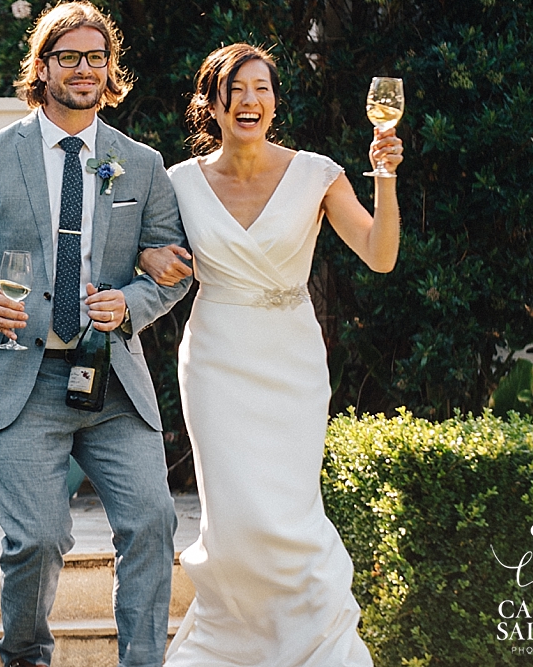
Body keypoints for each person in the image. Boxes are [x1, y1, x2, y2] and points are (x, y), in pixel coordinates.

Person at [0, 0, 191, 667]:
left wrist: (129, 301)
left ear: (109, 68)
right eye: (68, 56)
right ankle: (25, 657)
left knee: (153, 519)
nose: (83, 69)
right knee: (38, 540)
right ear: (42, 67)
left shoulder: (140, 162)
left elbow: (173, 266)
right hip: (18, 378)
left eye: (95, 57)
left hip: (109, 382)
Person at [140, 43, 401, 666]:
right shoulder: (178, 183)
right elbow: (142, 252)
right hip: (216, 364)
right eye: (235, 89)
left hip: (292, 364)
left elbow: (380, 254)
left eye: (261, 88)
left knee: (289, 513)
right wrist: (150, 257)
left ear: (275, 101)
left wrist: (384, 176)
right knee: (234, 520)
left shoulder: (318, 173)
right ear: (211, 103)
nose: (249, 101)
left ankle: (314, 648)